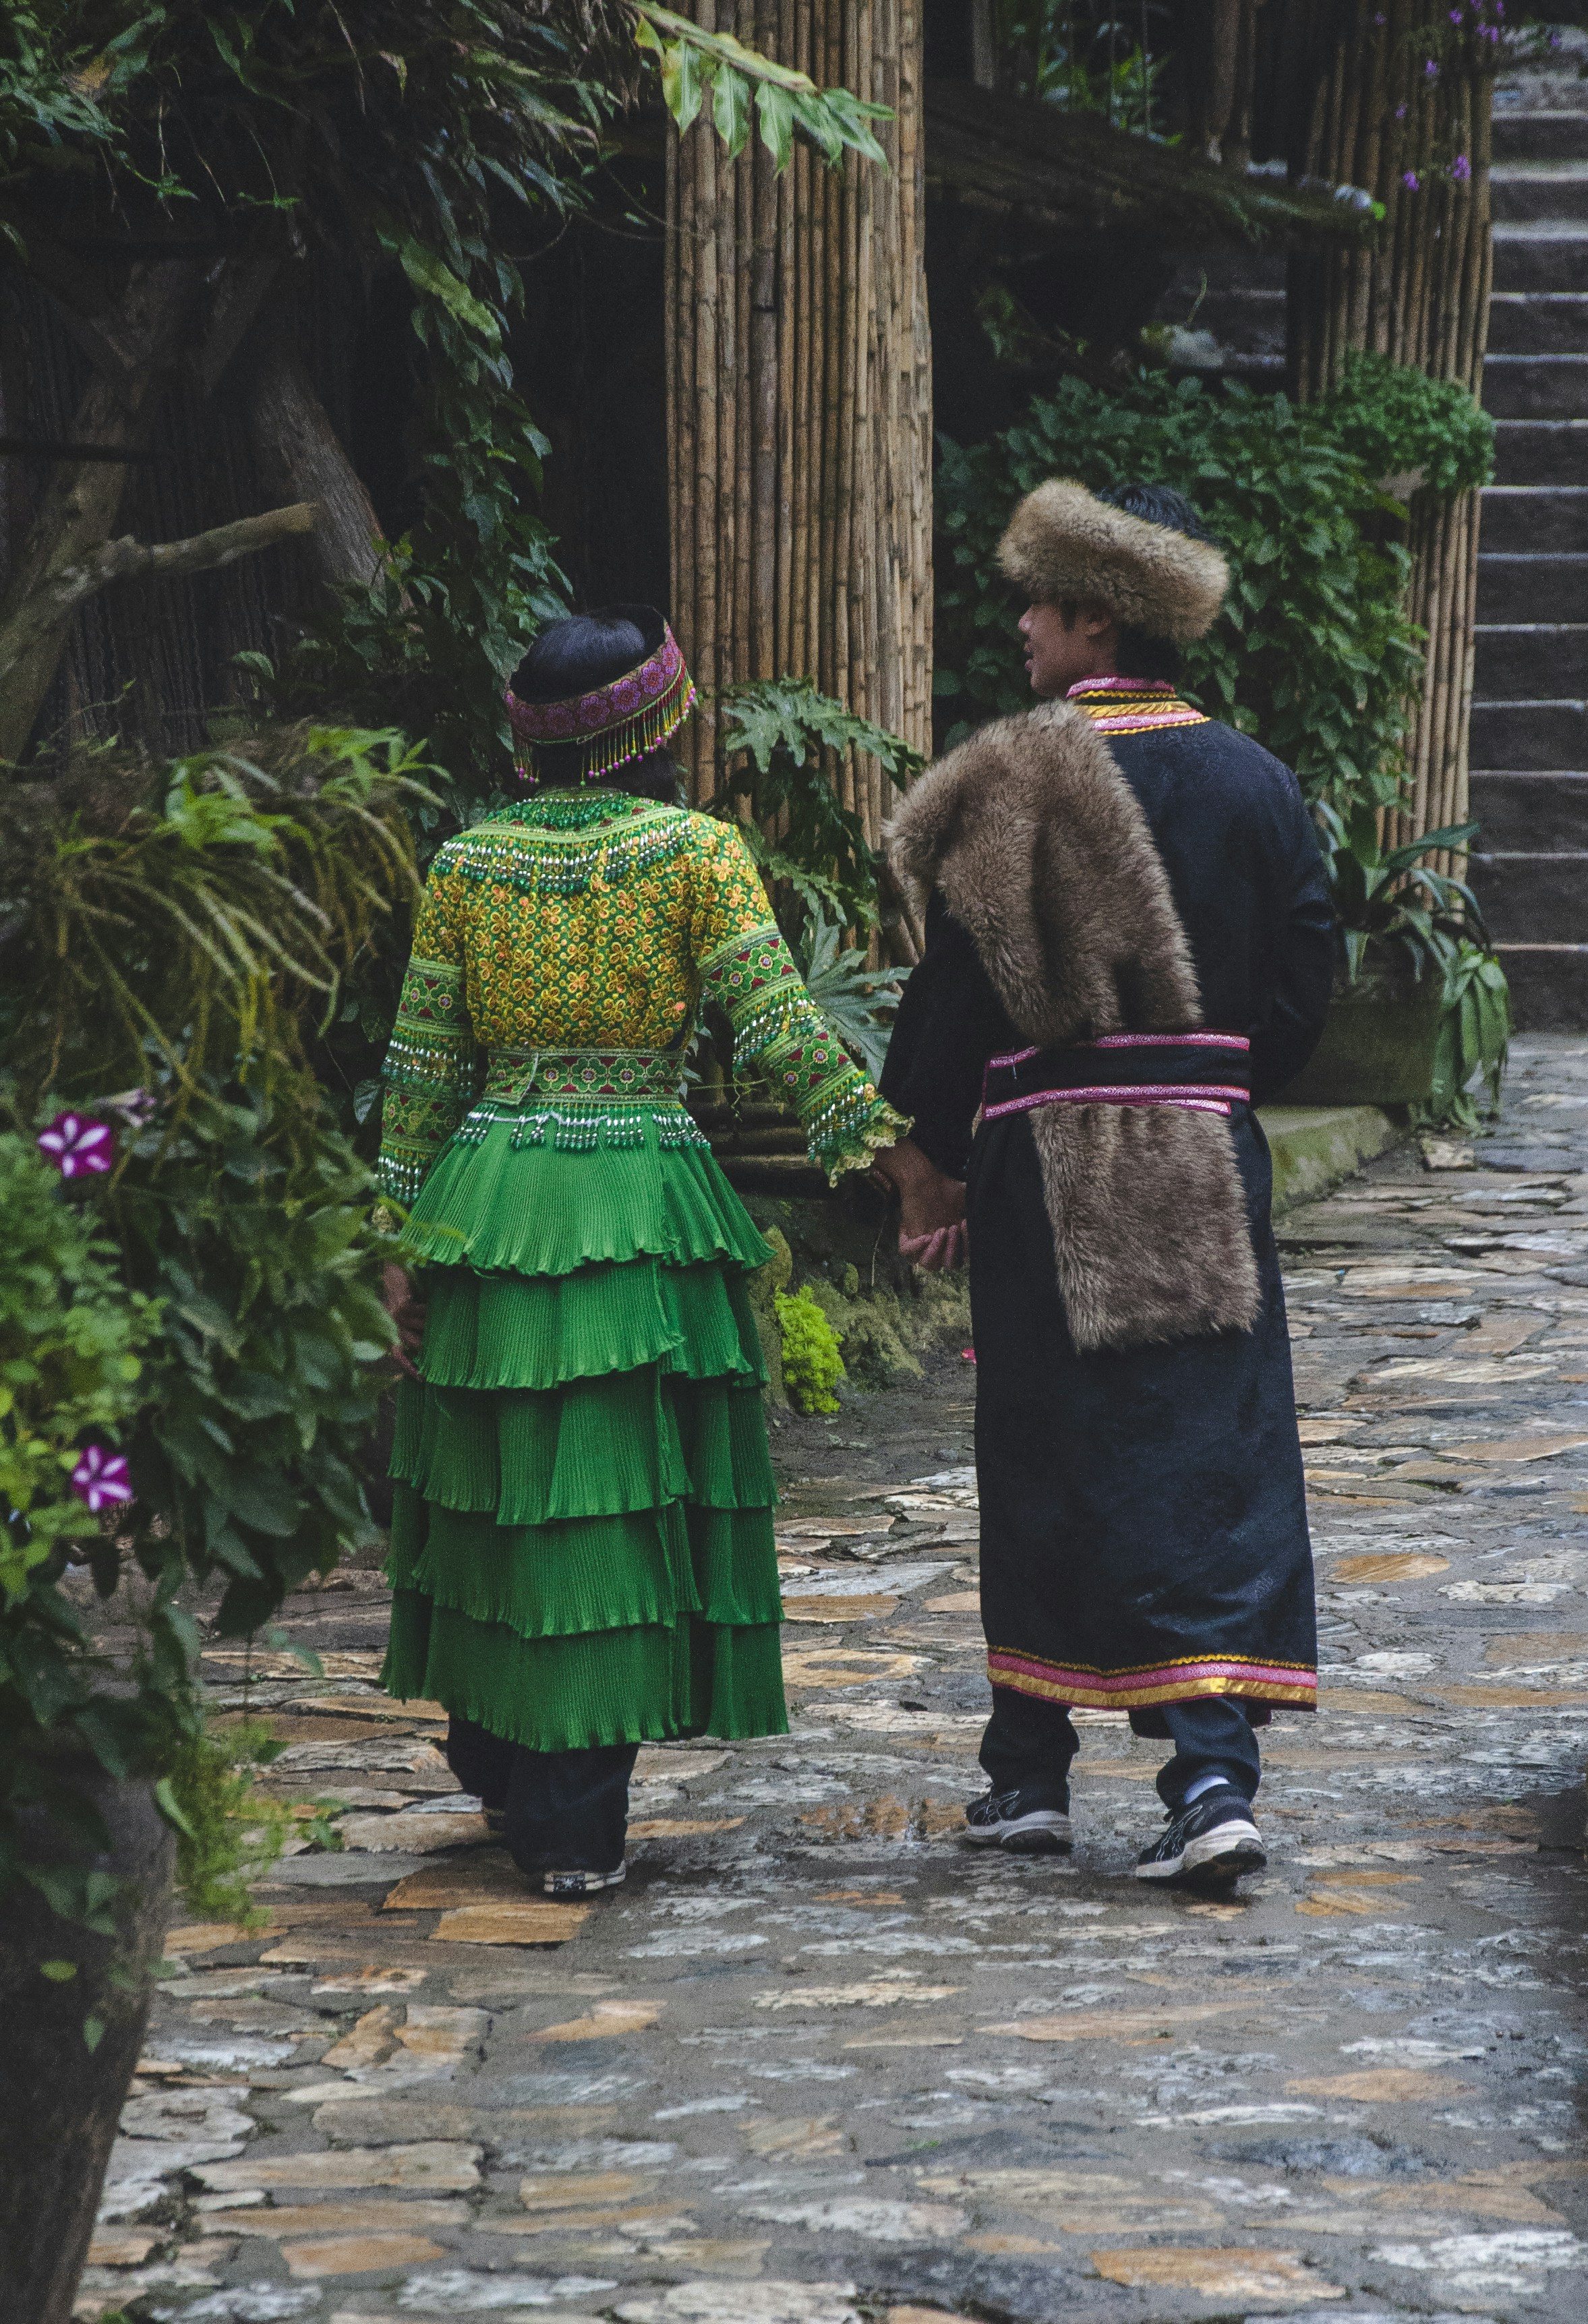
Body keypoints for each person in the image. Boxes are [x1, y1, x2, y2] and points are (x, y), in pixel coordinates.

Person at [376, 605, 907, 1895]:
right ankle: (572, 1828)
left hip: (488, 1199)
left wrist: (392, 1238)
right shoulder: (697, 856)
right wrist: (895, 1151)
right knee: (607, 1501)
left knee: (498, 1494)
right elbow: (782, 1032)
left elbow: (420, 1072)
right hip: (636, 1206)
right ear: (656, 729)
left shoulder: (465, 865)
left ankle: (504, 1765)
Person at [873, 480, 1334, 1889]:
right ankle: (1208, 1778)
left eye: (1034, 602)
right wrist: (1200, 1075)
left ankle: (1027, 1775)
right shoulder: (1256, 781)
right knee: (1200, 1449)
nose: (1015, 625)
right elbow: (1306, 986)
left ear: (1096, 615)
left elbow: (949, 1002)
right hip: (1197, 1157)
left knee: (1044, 1445)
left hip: (1039, 1173)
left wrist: (926, 1166)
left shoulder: (1005, 777)